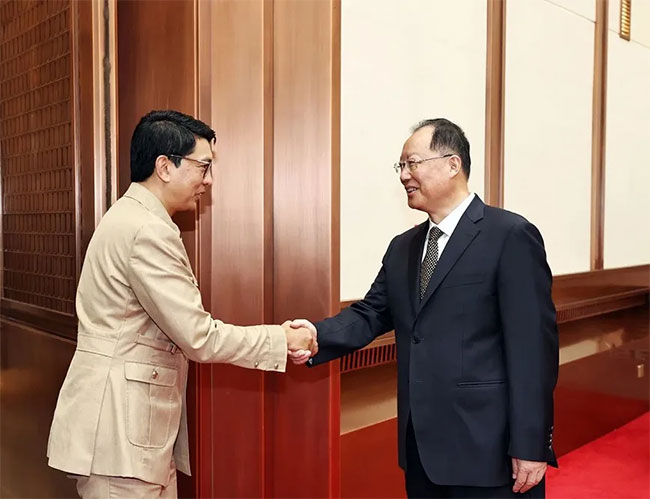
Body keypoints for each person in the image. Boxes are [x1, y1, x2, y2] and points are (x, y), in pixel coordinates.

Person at [47, 110, 316, 498]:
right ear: (164, 166)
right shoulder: (146, 230)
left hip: (128, 434)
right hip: (120, 436)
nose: (209, 180)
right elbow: (198, 337)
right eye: (203, 166)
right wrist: (280, 339)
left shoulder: (133, 217)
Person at [290, 118, 558, 498]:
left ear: (452, 164)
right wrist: (315, 334)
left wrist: (531, 444)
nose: (404, 175)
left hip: (489, 451)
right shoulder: (403, 247)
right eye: (400, 166)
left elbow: (533, 350)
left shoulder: (510, 236)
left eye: (412, 163)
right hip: (421, 450)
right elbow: (371, 313)